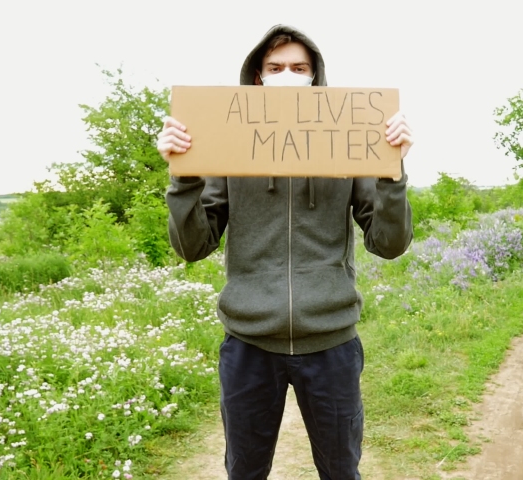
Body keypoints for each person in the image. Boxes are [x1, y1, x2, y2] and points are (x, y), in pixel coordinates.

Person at [157, 24, 414, 480]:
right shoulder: (228, 146)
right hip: (249, 345)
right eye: (275, 67)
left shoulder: (347, 141)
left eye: (299, 67)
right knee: (245, 472)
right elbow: (193, 247)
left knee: (341, 471)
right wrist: (185, 178)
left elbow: (388, 244)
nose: (287, 75)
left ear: (315, 77)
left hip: (331, 342)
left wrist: (392, 175)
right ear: (258, 78)